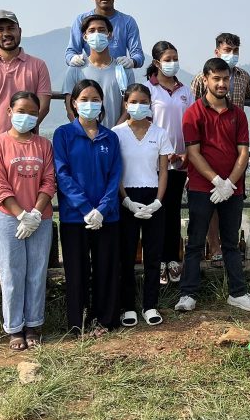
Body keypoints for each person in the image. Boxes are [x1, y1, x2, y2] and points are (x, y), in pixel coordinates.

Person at [0, 11, 51, 284]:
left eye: (10, 27)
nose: (6, 33)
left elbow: (44, 105)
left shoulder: (37, 65)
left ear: (19, 30)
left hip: (30, 149)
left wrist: (20, 134)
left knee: (29, 201)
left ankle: (29, 260)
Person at [176, 57, 250, 313]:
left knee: (231, 242)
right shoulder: (193, 113)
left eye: (226, 79)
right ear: (206, 80)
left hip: (233, 188)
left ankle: (238, 292)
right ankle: (188, 294)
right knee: (195, 241)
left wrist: (229, 184)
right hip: (203, 187)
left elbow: (243, 153)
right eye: (217, 78)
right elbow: (194, 152)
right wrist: (215, 180)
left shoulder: (237, 114)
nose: (222, 83)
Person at [0, 91, 57, 350]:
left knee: (37, 272)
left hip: (40, 218)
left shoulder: (44, 145)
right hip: (7, 218)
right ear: (9, 112)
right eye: (21, 111)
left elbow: (49, 180)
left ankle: (34, 325)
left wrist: (36, 213)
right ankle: (14, 328)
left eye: (32, 113)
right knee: (12, 274)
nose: (26, 116)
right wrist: (20, 215)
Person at [53, 79, 123, 336]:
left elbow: (115, 175)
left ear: (102, 103)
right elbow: (62, 174)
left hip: (107, 217)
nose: (89, 104)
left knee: (106, 268)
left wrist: (102, 209)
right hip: (75, 217)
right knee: (77, 270)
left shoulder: (111, 137)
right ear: (73, 102)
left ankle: (105, 321)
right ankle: (78, 323)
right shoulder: (64, 135)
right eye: (84, 99)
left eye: (95, 99)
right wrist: (84, 208)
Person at [189, 33, 250, 268]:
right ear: (217, 50)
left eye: (236, 50)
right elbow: (195, 108)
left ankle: (229, 256)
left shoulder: (243, 77)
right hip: (207, 146)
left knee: (229, 200)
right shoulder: (202, 78)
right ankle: (215, 247)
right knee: (210, 201)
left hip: (235, 142)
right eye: (227, 49)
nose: (232, 54)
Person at [115, 83, 174, 326]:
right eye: (134, 102)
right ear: (126, 104)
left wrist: (159, 201)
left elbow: (163, 171)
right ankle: (128, 306)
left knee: (153, 254)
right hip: (126, 196)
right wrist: (126, 200)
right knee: (126, 254)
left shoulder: (159, 133)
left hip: (152, 196)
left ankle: (150, 305)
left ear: (150, 104)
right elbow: (115, 171)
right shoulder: (116, 133)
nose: (139, 106)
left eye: (143, 101)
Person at [145, 41, 191, 285]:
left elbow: (191, 123)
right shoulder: (148, 90)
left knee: (173, 210)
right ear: (156, 63)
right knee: (156, 210)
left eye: (175, 57)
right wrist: (164, 152)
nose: (172, 62)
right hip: (155, 161)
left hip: (179, 161)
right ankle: (158, 261)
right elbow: (145, 123)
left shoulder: (185, 91)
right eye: (167, 58)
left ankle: (173, 258)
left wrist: (185, 153)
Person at [64, 0, 144, 93]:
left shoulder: (127, 22)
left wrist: (132, 61)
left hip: (117, 80)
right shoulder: (81, 20)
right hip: (89, 80)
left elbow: (138, 54)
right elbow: (70, 52)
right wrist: (73, 58)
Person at [62, 14, 125, 129]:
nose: (97, 34)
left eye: (102, 30)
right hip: (84, 138)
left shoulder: (123, 70)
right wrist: (82, 132)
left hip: (116, 138)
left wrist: (115, 134)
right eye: (91, 31)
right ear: (85, 36)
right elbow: (69, 106)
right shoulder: (75, 69)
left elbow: (127, 107)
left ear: (109, 35)